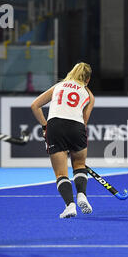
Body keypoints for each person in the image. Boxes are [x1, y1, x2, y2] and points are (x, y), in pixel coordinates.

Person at [31, 62, 95, 219]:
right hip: (76, 126)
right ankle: (81, 194)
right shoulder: (88, 94)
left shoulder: (59, 86)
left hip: (55, 125)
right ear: (87, 79)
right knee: (79, 166)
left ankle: (70, 205)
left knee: (61, 173)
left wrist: (45, 126)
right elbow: (84, 120)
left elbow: (35, 106)